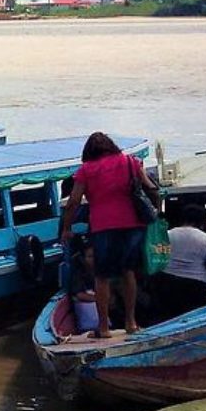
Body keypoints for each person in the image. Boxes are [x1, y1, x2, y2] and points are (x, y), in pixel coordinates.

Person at [57, 132, 155, 338]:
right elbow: (151, 187)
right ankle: (131, 322)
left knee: (102, 277)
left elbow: (74, 201)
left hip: (103, 226)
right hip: (132, 224)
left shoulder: (86, 170)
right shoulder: (131, 162)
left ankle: (103, 328)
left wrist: (67, 228)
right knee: (128, 272)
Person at [155, 203, 206, 318]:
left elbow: (158, 257)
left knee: (169, 316)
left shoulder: (167, 235)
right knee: (195, 316)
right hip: (196, 284)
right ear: (202, 221)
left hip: (167, 281)